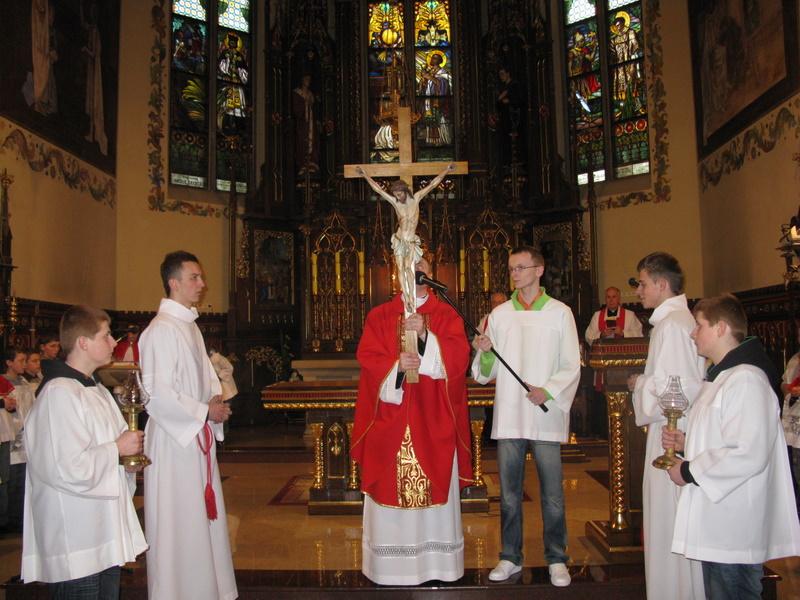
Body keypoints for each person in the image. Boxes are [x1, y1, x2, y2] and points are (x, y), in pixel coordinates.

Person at [662, 294, 800, 600]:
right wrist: (687, 443)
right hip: (719, 521)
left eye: (699, 325)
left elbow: (748, 452)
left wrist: (689, 470)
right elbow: (723, 437)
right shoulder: (724, 377)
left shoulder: (746, 379)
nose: (692, 333)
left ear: (721, 328)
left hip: (734, 525)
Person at [352, 256, 471, 585]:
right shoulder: (379, 315)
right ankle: (390, 568)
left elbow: (459, 359)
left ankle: (437, 565)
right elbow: (368, 359)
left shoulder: (446, 314)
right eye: (409, 267)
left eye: (422, 269)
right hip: (390, 420)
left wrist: (427, 336)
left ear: (431, 275)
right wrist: (396, 367)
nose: (416, 273)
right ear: (397, 273)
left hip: (434, 419)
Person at [472, 246, 580, 587]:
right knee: (508, 493)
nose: (515, 274)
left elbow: (571, 363)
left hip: (544, 412)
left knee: (552, 494)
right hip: (511, 412)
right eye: (511, 269)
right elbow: (484, 372)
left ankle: (556, 558)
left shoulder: (560, 313)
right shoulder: (499, 315)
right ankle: (509, 556)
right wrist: (484, 352)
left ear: (539, 269)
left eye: (521, 267)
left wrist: (547, 390)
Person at [21, 305, 147, 596]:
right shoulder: (59, 393)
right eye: (106, 335)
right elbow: (64, 467)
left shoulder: (96, 390)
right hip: (76, 539)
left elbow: (111, 451)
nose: (113, 342)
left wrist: (127, 462)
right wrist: (117, 449)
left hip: (104, 532)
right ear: (83, 343)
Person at [139, 251, 237, 600]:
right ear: (174, 283)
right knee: (178, 521)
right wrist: (204, 411)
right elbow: (156, 394)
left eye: (201, 276)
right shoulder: (160, 331)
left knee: (200, 521)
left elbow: (207, 381)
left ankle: (205, 590)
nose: (202, 284)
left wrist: (215, 404)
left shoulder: (189, 326)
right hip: (173, 442)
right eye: (194, 277)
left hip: (195, 438)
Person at [627, 252, 705, 600]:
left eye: (643, 284)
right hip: (671, 433)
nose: (639, 291)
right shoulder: (674, 321)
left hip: (670, 439)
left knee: (669, 521)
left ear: (661, 284)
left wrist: (639, 384)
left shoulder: (672, 325)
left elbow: (677, 390)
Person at [355, 164, 454, 317]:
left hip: (410, 241)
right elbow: (378, 190)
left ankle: (410, 298)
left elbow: (432, 184)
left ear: (405, 191)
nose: (398, 197)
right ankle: (407, 297)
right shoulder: (396, 203)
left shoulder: (416, 198)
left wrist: (446, 170)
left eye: (400, 194)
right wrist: (364, 175)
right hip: (400, 240)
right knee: (401, 269)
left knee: (409, 269)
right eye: (395, 194)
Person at [2, 348, 34, 533]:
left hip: (25, 437)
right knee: (10, 481)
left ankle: (20, 518)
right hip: (11, 435)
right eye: (21, 360)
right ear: (9, 362)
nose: (24, 364)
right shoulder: (4, 383)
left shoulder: (24, 382)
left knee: (23, 480)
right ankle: (8, 520)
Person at [292, 74, 319, 175]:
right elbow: (297, 110)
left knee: (312, 140)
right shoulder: (297, 93)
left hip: (310, 122)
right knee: (302, 140)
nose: (308, 81)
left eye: (309, 79)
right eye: (306, 79)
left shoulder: (311, 94)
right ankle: (303, 164)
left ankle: (312, 162)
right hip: (302, 123)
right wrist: (305, 104)